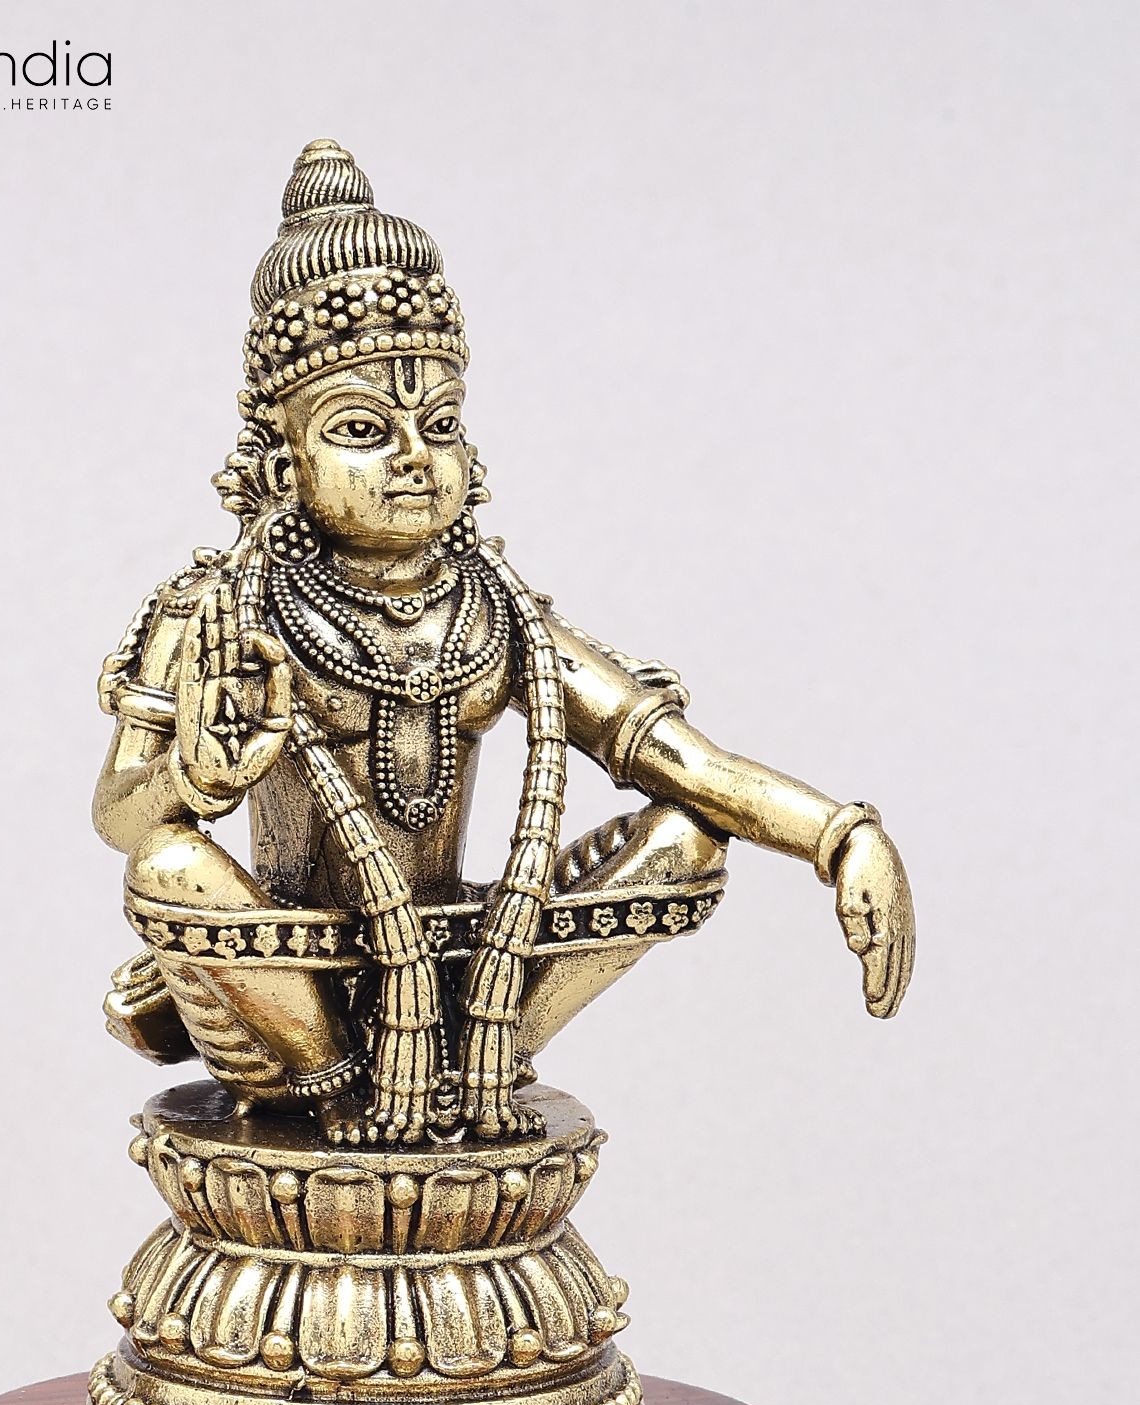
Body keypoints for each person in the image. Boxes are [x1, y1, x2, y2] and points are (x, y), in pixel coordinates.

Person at [94, 140, 914, 1145]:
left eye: (439, 424)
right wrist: (196, 773)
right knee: (168, 864)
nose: (414, 458)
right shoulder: (221, 611)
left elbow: (689, 767)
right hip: (292, 979)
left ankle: (480, 1059)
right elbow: (122, 815)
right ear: (280, 465)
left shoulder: (499, 612)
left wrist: (841, 836)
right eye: (363, 430)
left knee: (687, 837)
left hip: (473, 962)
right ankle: (340, 1084)